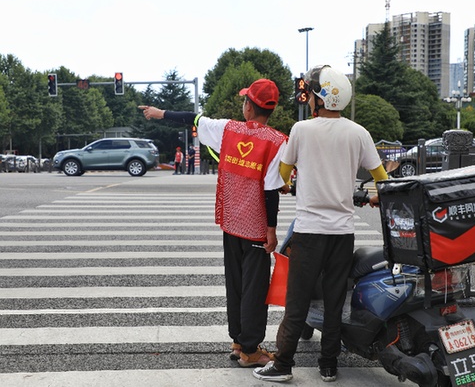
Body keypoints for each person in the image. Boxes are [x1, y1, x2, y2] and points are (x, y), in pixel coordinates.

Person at [138, 78, 287, 368]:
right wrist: (271, 230)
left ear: (249, 106)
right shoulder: (277, 141)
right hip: (256, 228)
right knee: (255, 289)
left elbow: (192, 118)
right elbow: (271, 190)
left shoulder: (226, 129)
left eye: (245, 100)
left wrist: (160, 113)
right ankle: (249, 350)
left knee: (236, 284)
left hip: (230, 222)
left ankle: (238, 341)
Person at [253, 65, 388, 383]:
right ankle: (328, 365)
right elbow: (382, 179)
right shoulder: (359, 133)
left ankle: (283, 364)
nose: (310, 98)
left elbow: (283, 174)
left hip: (309, 232)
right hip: (342, 233)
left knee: (297, 300)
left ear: (320, 99)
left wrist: (290, 183)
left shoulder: (302, 129)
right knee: (334, 300)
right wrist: (374, 197)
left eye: (312, 94)